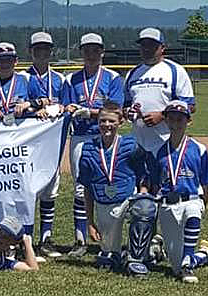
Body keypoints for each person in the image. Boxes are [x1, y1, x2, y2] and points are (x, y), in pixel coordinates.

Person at [149, 101, 208, 283]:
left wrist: (202, 205)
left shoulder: (199, 149)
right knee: (176, 267)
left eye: (180, 119)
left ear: (188, 122)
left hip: (191, 199)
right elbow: (155, 184)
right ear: (166, 122)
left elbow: (206, 182)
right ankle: (205, 254)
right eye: (172, 119)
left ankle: (188, 262)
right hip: (168, 205)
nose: (176, 123)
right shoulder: (158, 152)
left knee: (193, 212)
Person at [63, 33, 124, 257]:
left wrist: (91, 113)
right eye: (87, 50)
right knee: (81, 188)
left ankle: (109, 235)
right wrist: (71, 110)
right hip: (80, 137)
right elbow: (66, 107)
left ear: (102, 52)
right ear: (81, 52)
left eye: (95, 50)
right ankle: (80, 239)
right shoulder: (71, 79)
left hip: (106, 136)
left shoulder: (113, 77)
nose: (91, 54)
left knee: (107, 182)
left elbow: (116, 110)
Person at [79, 103, 158, 276]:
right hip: (103, 202)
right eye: (102, 121)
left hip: (126, 198)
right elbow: (86, 188)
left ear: (120, 123)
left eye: (111, 121)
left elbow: (143, 174)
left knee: (144, 207)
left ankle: (136, 259)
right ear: (97, 122)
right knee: (109, 257)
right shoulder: (87, 149)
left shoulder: (131, 145)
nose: (107, 125)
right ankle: (146, 250)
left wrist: (143, 193)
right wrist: (90, 222)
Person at [22, 32, 67, 258]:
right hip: (28, 146)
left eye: (46, 49)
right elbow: (16, 107)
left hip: (52, 144)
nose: (42, 53)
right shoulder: (23, 77)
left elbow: (69, 106)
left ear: (51, 52)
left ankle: (46, 239)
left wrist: (62, 108)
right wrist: (33, 109)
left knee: (50, 191)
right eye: (37, 48)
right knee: (28, 191)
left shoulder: (60, 79)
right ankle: (26, 239)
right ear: (30, 51)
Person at [124, 27, 196, 155]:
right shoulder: (132, 73)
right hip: (138, 143)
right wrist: (129, 113)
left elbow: (190, 106)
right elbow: (126, 106)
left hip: (168, 142)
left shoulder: (175, 71)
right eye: (143, 45)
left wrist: (162, 115)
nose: (147, 49)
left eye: (152, 45)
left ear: (162, 48)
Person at [0, 42, 34, 123]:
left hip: (24, 131)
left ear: (16, 61)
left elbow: (44, 101)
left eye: (9, 60)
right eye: (0, 61)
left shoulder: (27, 80)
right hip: (1, 132)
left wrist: (28, 104)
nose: (5, 64)